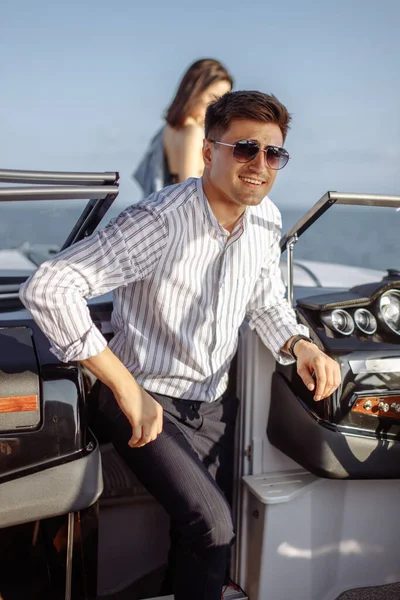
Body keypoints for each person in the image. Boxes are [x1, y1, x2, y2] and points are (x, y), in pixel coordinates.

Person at [19, 90, 341, 600]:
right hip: (140, 393)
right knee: (215, 528)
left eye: (273, 153)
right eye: (245, 149)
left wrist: (301, 344)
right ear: (208, 152)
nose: (260, 164)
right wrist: (126, 389)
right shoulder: (160, 221)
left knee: (195, 535)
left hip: (213, 401)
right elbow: (49, 286)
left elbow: (265, 301)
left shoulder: (266, 220)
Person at [133, 58, 233, 196]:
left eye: (222, 101)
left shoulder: (167, 130)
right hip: (185, 214)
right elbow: (189, 193)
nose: (217, 107)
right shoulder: (193, 133)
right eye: (213, 97)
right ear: (195, 91)